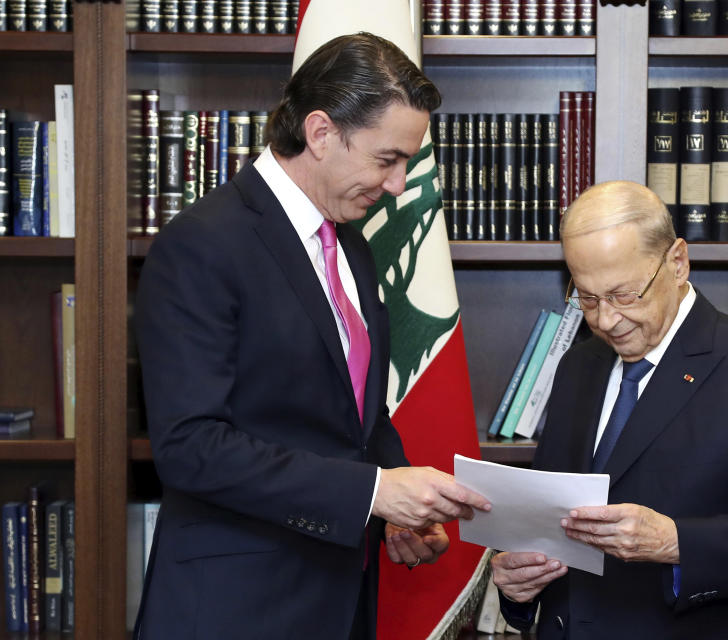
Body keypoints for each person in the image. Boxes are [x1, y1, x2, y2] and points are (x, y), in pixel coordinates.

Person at [133, 33, 489, 640]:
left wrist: (399, 508)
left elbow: (357, 421)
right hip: (234, 609)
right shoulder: (202, 244)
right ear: (321, 133)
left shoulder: (352, 243)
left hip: (338, 598)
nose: (400, 185)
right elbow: (191, 446)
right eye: (387, 159)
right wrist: (374, 492)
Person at [492, 181, 728, 639]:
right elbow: (553, 512)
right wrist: (519, 588)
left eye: (623, 295)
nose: (605, 320)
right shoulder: (579, 363)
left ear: (676, 262)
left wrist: (675, 541)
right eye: (587, 298)